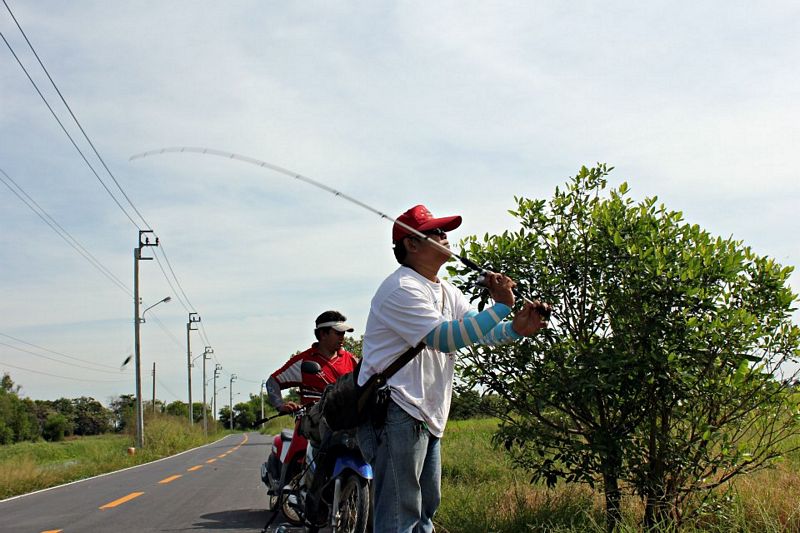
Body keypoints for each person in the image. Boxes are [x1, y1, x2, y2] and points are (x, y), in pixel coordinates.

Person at [357, 204, 551, 533]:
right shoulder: (402, 289)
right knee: (398, 517)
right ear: (412, 244)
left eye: (445, 230)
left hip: (426, 414)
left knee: (424, 512)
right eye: (435, 231)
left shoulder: (446, 290)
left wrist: (515, 327)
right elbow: (445, 338)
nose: (445, 236)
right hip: (398, 411)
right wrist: (502, 305)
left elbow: (479, 331)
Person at [266, 310, 359, 413]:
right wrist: (280, 405)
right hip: (313, 425)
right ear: (323, 334)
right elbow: (272, 382)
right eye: (338, 333)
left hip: (349, 422)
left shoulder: (352, 359)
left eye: (343, 333)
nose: (342, 337)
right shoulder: (302, 361)